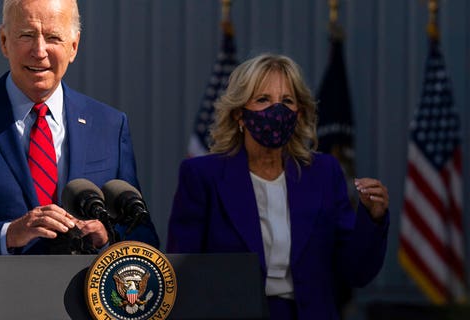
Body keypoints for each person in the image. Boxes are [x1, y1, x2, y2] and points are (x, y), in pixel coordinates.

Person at [0, 0, 159, 275]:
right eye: (26, 35)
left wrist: (109, 239)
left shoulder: (108, 125)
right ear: (3, 41)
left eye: (53, 38)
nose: (39, 51)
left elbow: (143, 236)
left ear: (73, 47)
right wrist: (8, 235)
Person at [167, 53, 389, 319]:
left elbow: (356, 271)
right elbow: (184, 271)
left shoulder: (323, 173)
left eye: (287, 101)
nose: (277, 110)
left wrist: (373, 219)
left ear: (299, 112)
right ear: (239, 114)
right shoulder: (202, 175)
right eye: (263, 100)